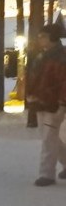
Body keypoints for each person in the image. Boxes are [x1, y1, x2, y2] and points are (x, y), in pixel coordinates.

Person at [27, 24, 66, 186]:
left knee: (48, 139)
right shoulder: (43, 56)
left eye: (43, 36)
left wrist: (62, 105)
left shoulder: (60, 57)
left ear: (52, 37)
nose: (39, 39)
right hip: (41, 101)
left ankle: (47, 174)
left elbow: (64, 83)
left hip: (53, 104)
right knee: (49, 137)